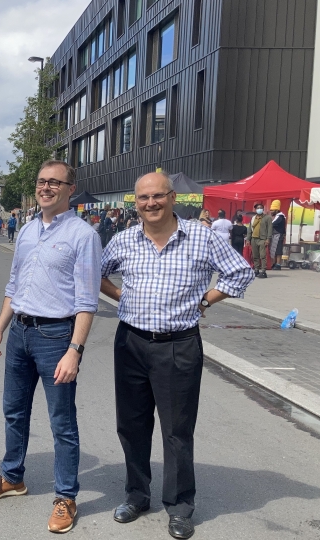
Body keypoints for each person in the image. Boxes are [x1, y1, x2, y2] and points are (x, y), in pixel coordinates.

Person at [100, 172, 254, 540]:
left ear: (172, 198)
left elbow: (241, 273)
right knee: (132, 425)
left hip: (178, 344)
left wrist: (204, 301)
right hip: (131, 343)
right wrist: (119, 296)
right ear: (134, 203)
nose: (150, 203)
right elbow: (95, 273)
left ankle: (180, 505)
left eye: (157, 196)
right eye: (143, 198)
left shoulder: (202, 237)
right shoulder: (123, 240)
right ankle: (137, 495)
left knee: (177, 430)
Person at [0, 160, 101, 534]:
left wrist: (74, 350)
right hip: (20, 333)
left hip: (55, 338)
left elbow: (86, 300)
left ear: (69, 188)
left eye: (54, 182)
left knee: (62, 423)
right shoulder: (28, 231)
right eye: (41, 181)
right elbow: (14, 287)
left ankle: (66, 496)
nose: (46, 187)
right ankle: (12, 477)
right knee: (14, 412)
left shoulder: (83, 236)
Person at [245, 201, 272, 278]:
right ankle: (256, 270)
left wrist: (268, 239)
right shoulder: (253, 218)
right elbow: (249, 229)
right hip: (254, 239)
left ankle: (263, 271)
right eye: (257, 208)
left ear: (263, 209)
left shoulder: (267, 218)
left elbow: (270, 229)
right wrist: (248, 239)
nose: (259, 209)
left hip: (262, 239)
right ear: (255, 209)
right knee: (255, 255)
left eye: (260, 208)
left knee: (263, 255)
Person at [270, 200, 286, 270]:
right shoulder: (277, 216)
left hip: (278, 236)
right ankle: (274, 263)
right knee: (274, 250)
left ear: (276, 210)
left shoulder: (280, 217)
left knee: (278, 251)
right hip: (275, 236)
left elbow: (273, 224)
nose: (271, 212)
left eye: (272, 210)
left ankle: (278, 264)